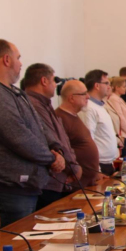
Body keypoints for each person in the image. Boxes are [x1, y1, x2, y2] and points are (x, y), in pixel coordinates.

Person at [0, 39, 64, 226]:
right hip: (11, 190)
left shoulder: (13, 92)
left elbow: (39, 126)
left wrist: (55, 147)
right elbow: (18, 136)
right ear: (6, 60)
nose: (21, 64)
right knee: (15, 249)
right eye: (18, 58)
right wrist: (52, 158)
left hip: (28, 187)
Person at [23, 63, 82, 209]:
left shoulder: (44, 104)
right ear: (44, 81)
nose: (56, 85)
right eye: (53, 80)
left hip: (59, 178)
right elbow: (53, 140)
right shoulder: (34, 105)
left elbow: (63, 140)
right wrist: (73, 168)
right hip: (50, 180)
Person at [56, 80, 107, 188]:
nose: (88, 96)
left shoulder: (74, 115)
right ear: (71, 98)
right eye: (83, 94)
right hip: (74, 183)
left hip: (88, 182)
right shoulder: (60, 118)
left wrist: (95, 171)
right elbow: (62, 150)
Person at [78, 69, 119, 176]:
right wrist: (97, 170)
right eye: (106, 83)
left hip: (107, 163)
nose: (109, 87)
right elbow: (88, 140)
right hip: (98, 165)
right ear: (97, 85)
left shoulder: (100, 106)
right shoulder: (89, 108)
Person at [107, 76, 126, 157]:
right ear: (117, 87)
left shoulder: (119, 99)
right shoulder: (113, 99)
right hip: (123, 136)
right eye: (124, 87)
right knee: (123, 161)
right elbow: (121, 118)